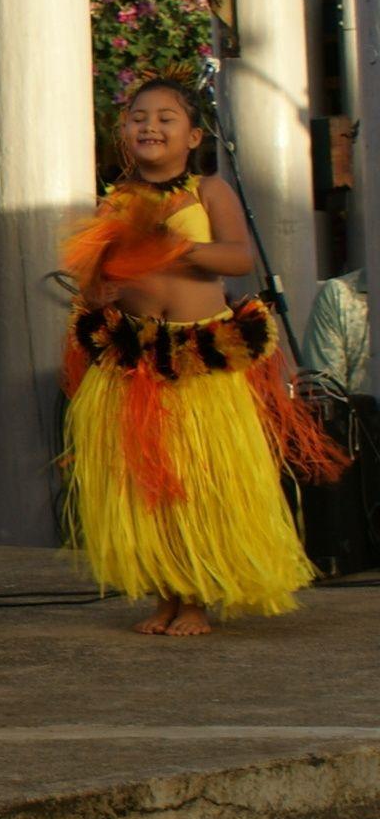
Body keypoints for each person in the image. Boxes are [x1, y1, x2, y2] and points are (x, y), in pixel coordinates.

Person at [59, 77, 344, 636]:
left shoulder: (209, 191)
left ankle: (197, 597)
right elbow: (93, 281)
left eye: (166, 118)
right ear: (124, 131)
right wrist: (100, 289)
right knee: (148, 481)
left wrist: (179, 248)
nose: (150, 126)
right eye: (139, 116)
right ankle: (166, 592)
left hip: (199, 357)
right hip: (137, 356)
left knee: (199, 477)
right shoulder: (116, 201)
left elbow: (238, 259)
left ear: (192, 136)